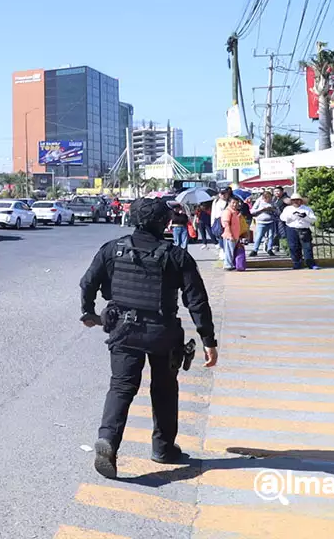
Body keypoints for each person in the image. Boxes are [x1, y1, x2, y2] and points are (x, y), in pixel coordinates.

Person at [79, 198, 218, 479]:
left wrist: (88, 312)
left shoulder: (111, 249)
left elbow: (87, 283)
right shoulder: (176, 255)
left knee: (121, 388)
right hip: (162, 333)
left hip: (122, 330)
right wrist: (208, 340)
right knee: (164, 390)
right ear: (162, 223)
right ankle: (163, 449)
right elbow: (197, 301)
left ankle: (108, 441)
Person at [280, 192, 319, 270]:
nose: (296, 202)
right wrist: (292, 216)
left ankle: (310, 264)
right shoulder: (288, 209)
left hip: (304, 229)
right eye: (294, 200)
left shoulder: (307, 209)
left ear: (301, 201)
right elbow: (282, 218)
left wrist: (305, 217)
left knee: (307, 247)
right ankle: (297, 263)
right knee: (293, 247)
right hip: (292, 229)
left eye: (297, 200)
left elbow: (313, 219)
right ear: (291, 201)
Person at [249, 191, 278, 258]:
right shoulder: (259, 201)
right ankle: (255, 250)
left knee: (271, 236)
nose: (268, 200)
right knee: (259, 236)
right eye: (267, 198)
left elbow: (277, 211)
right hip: (261, 222)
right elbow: (252, 211)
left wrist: (272, 209)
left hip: (271, 221)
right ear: (263, 197)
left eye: (270, 198)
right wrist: (262, 209)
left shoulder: (273, 202)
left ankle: (269, 249)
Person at [220, 198, 243, 271]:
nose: (235, 204)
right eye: (233, 203)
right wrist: (230, 235)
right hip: (229, 235)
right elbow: (226, 224)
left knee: (231, 251)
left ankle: (230, 264)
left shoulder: (234, 212)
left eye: (236, 203)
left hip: (235, 235)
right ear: (229, 203)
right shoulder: (227, 211)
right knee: (229, 251)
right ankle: (228, 265)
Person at [210, 188, 232, 258]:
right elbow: (213, 212)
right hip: (218, 220)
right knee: (220, 236)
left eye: (225, 193)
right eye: (221, 194)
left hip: (228, 220)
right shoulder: (216, 201)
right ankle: (222, 250)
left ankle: (228, 251)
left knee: (228, 236)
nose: (223, 195)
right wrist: (212, 222)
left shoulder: (230, 201)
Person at [271, 186, 291, 253]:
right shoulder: (274, 199)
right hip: (275, 218)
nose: (276, 193)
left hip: (282, 219)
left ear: (282, 192)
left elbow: (289, 202)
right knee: (275, 233)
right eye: (275, 191)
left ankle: (287, 248)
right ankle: (276, 246)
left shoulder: (285, 198)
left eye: (278, 191)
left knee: (283, 234)